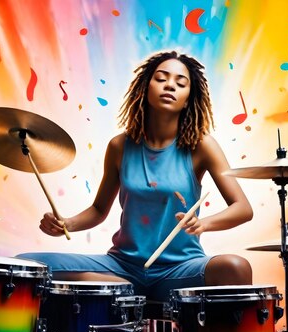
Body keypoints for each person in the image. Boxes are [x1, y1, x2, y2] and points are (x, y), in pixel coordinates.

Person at [18, 51, 253, 301]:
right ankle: (121, 291)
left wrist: (204, 224)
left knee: (236, 267)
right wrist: (66, 224)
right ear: (145, 88)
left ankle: (125, 293)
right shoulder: (119, 146)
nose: (170, 85)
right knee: (26, 265)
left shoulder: (201, 146)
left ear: (187, 100)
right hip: (122, 266)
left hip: (180, 269)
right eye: (161, 78)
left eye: (180, 83)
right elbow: (99, 209)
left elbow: (242, 208)